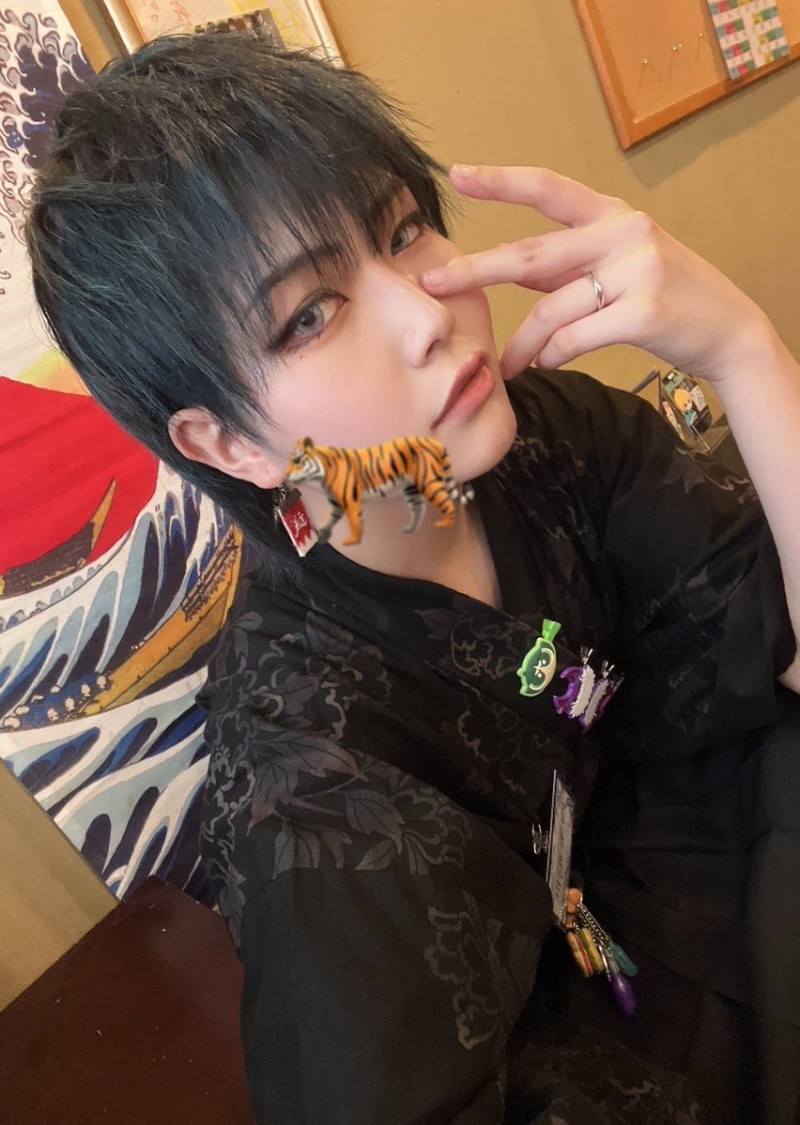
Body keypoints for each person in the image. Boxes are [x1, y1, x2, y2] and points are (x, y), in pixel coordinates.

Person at [24, 32, 800, 1124]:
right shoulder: (313, 771)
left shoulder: (547, 435)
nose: (426, 316)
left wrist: (744, 352)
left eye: (400, 231)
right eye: (309, 314)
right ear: (229, 443)